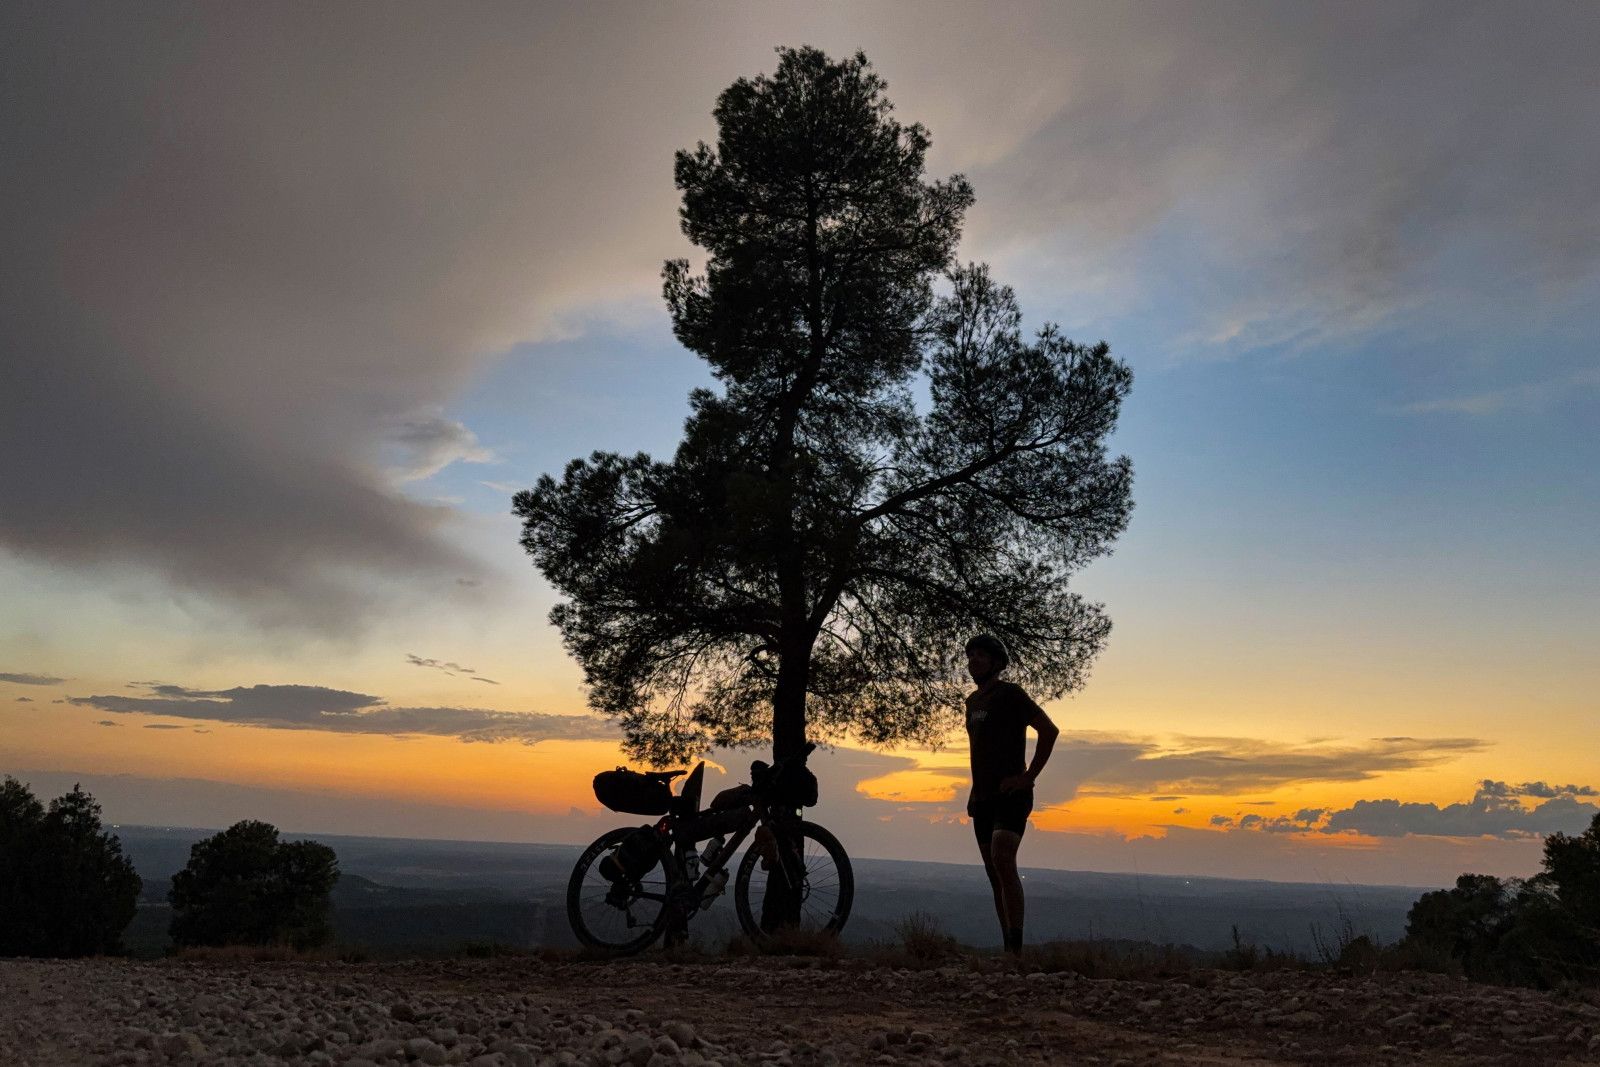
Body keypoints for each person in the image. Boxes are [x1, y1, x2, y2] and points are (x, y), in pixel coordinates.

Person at [963, 633, 1059, 955]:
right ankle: (1008, 951)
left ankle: (1015, 951)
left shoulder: (1011, 695)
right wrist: (974, 791)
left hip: (1011, 795)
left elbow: (1049, 730)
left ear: (996, 662)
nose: (973, 659)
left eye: (980, 655)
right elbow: (978, 750)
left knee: (1003, 859)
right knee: (994, 874)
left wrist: (1028, 776)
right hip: (983, 798)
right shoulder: (972, 703)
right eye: (970, 655)